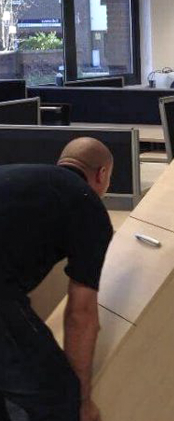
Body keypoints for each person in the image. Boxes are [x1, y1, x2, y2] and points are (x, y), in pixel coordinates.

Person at [0, 137, 114, 421]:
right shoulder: (87, 206)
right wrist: (83, 400)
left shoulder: (18, 176)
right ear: (101, 175)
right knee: (59, 396)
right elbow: (81, 313)